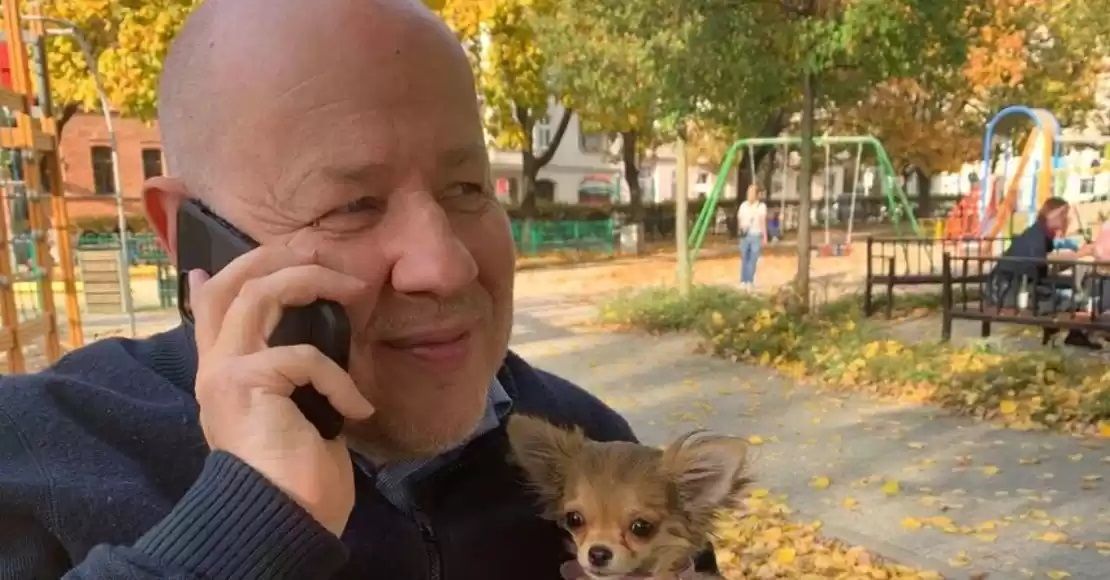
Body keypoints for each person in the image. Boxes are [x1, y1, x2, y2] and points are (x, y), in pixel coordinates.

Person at [0, 1, 719, 578]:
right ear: (189, 235)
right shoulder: (32, 454)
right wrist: (247, 522)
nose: (444, 267)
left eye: (468, 188)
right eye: (351, 206)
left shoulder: (584, 441)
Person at [989, 197, 1099, 349]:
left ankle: (1069, 333)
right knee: (1071, 301)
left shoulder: (1040, 233)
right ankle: (1066, 331)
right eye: (1064, 215)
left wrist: (1073, 259)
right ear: (1054, 215)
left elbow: (1043, 266)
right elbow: (1042, 260)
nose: (1067, 219)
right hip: (1010, 291)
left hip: (1014, 286)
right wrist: (1079, 254)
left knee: (1071, 293)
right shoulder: (1036, 235)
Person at [736, 184, 767, 289]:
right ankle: (743, 281)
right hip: (744, 235)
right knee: (744, 258)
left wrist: (764, 236)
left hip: (756, 234)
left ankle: (749, 281)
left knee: (753, 259)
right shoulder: (743, 206)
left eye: (752, 192)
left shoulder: (761, 206)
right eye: (748, 192)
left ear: (757, 195)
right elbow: (740, 219)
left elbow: (762, 222)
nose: (749, 195)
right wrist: (740, 231)